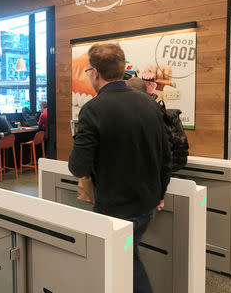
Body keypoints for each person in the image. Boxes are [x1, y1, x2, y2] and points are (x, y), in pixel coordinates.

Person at [68, 43, 172, 293]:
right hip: (147, 205)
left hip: (115, 208)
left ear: (94, 72)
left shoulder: (92, 110)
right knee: (128, 259)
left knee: (123, 265)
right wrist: (159, 193)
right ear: (122, 69)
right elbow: (166, 156)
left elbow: (77, 166)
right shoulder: (149, 103)